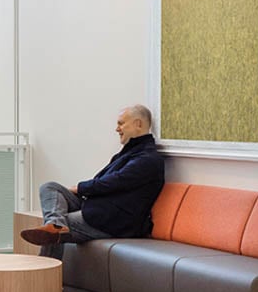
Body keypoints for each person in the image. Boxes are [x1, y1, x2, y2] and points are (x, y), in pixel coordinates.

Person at [21, 105, 165, 256]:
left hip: (114, 222)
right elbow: (105, 181)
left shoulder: (148, 159)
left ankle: (48, 263)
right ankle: (55, 226)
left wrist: (80, 188)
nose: (117, 129)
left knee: (58, 226)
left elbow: (114, 182)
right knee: (50, 187)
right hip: (99, 210)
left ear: (138, 124)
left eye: (121, 123)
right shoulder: (130, 153)